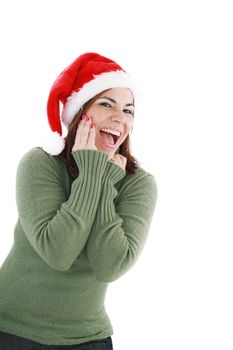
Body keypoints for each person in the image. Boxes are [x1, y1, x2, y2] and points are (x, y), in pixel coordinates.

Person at [0, 52, 158, 349]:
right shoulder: (40, 164)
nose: (119, 118)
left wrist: (103, 181)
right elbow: (58, 251)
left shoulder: (138, 184)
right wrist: (91, 174)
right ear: (79, 113)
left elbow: (109, 265)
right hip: (10, 330)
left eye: (129, 110)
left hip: (87, 339)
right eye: (106, 104)